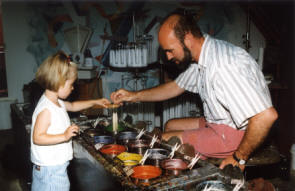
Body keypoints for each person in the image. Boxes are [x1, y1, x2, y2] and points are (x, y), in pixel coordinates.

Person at [110, 12, 278, 171]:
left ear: (188, 38)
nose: (168, 57)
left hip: (236, 135)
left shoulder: (223, 66)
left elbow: (266, 116)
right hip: (218, 122)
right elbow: (174, 87)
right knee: (171, 125)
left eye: (170, 50)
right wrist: (133, 96)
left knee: (163, 142)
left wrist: (238, 158)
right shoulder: (203, 54)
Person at [30, 51, 110, 191]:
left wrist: (95, 102)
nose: (73, 88)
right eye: (71, 84)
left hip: (53, 169)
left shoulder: (56, 102)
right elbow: (37, 138)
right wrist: (64, 136)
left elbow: (73, 106)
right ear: (60, 83)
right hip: (51, 172)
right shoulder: (46, 110)